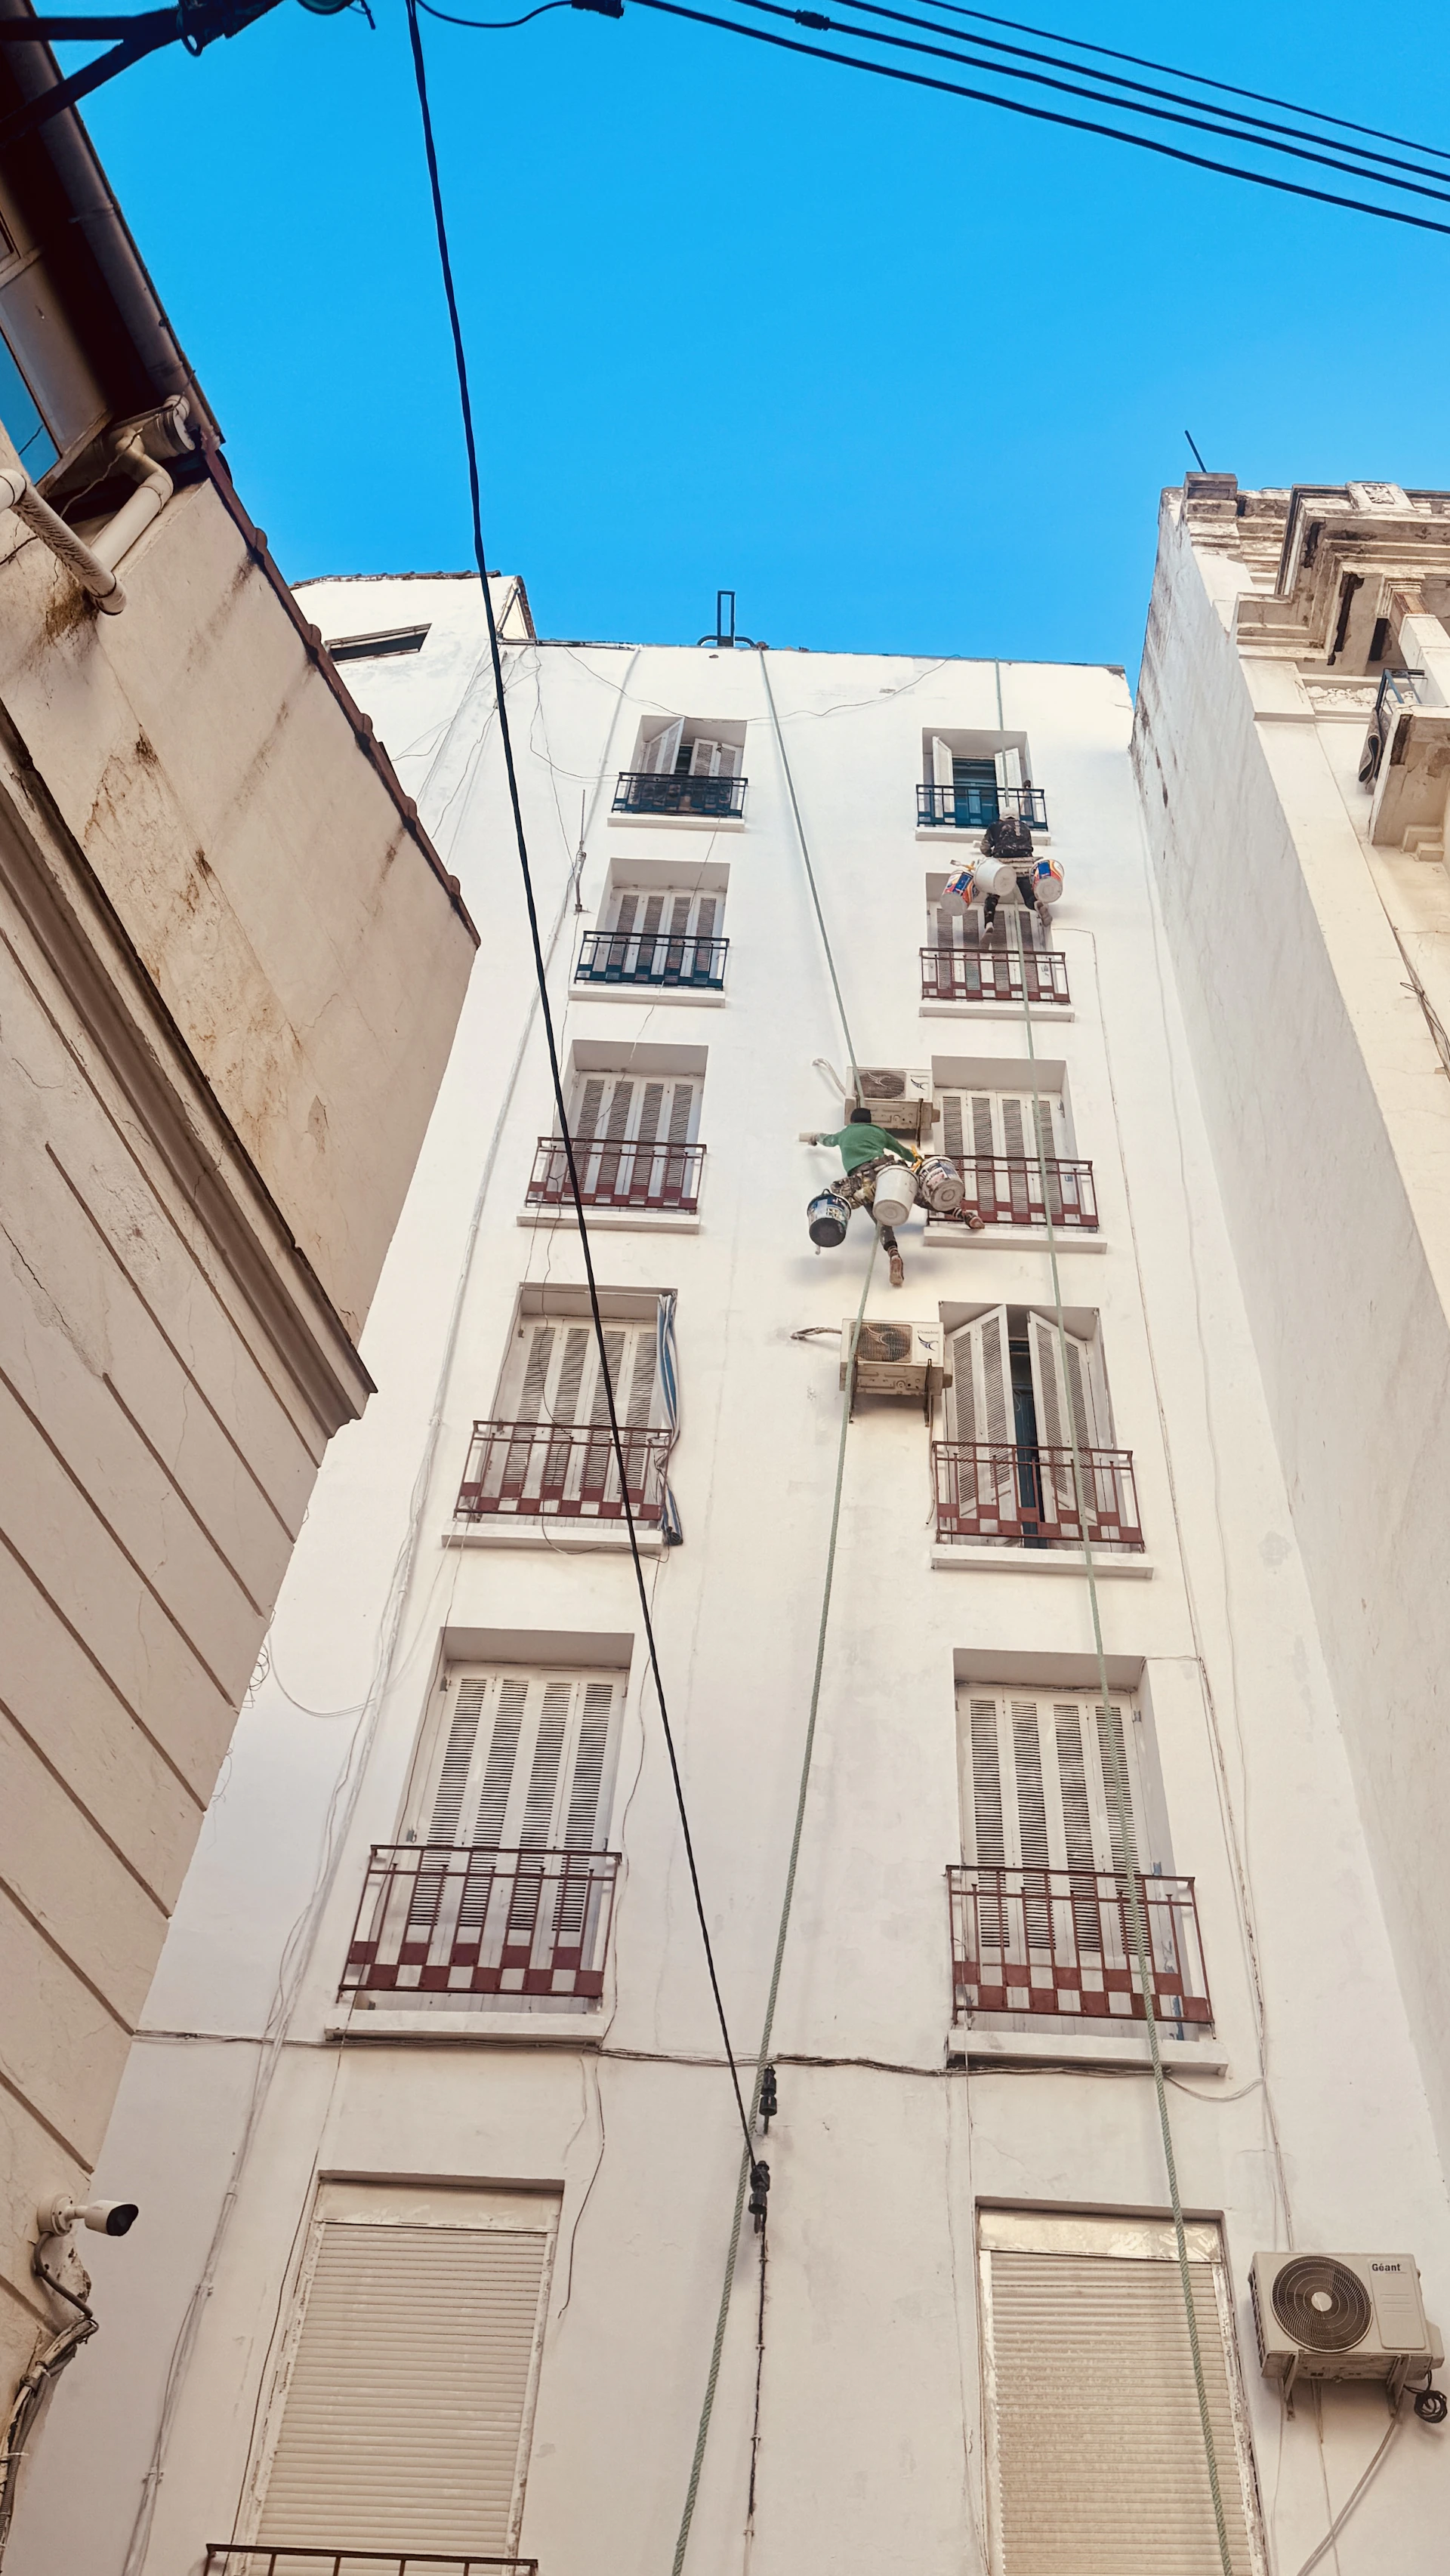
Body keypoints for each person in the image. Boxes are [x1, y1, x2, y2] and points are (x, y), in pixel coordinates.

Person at [804, 1105, 983, 1286]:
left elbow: (827, 1140)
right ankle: (967, 1216)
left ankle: (894, 1255)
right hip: (888, 1171)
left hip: (863, 1180)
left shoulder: (843, 1135)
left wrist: (815, 1137)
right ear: (869, 1121)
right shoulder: (878, 1132)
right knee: (922, 1198)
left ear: (852, 1121)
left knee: (882, 1220)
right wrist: (919, 1162)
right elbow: (902, 1151)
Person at [976, 811, 1041, 939]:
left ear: (1002, 817)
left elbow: (985, 847)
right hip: (1024, 861)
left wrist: (989, 856)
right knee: (1028, 894)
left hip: (1002, 861)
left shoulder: (995, 826)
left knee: (993, 895)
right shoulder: (1025, 827)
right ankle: (1037, 905)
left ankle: (989, 922)